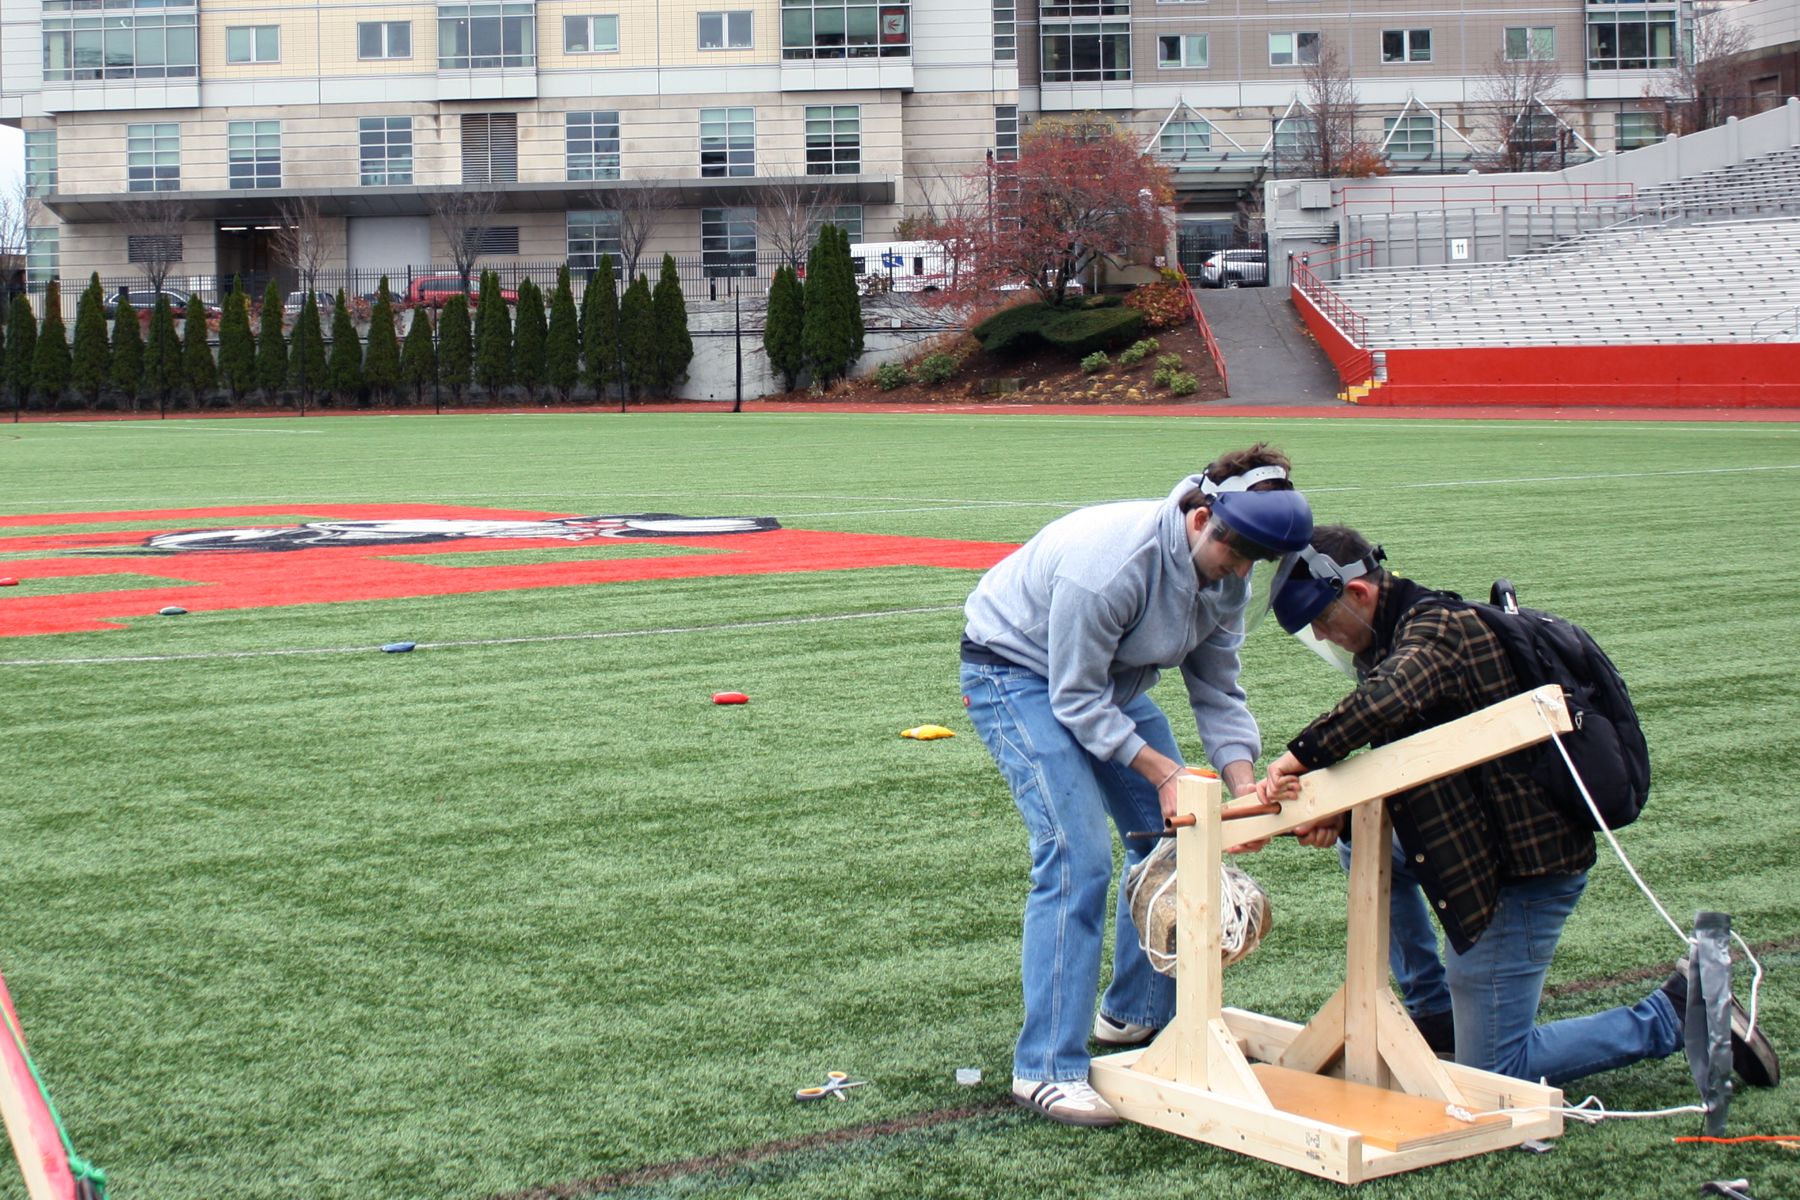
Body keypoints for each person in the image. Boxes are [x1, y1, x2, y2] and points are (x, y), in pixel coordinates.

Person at [1261, 525, 1779, 1090]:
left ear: (1358, 594)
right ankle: (1434, 1009)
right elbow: (1416, 764)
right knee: (1363, 840)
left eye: (1321, 619)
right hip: (1474, 843)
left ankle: (1678, 1013)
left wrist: (1299, 759)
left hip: (1522, 872)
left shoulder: (1438, 629)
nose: (1320, 633)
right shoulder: (1389, 638)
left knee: (1491, 1074)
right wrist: (1342, 810)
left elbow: (1391, 697)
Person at [960, 445, 1314, 1126]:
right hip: (1016, 672)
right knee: (1077, 855)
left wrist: (1242, 788)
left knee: (1177, 838)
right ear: (1200, 517)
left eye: (1253, 563)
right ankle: (1045, 1070)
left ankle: (1131, 1015)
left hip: (1107, 683)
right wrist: (1169, 773)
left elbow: (1218, 688)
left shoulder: (1226, 576)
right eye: (1234, 554)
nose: (1239, 573)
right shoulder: (1111, 567)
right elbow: (1075, 700)